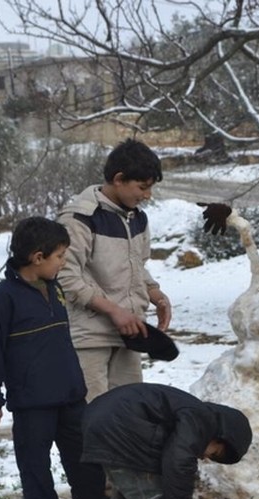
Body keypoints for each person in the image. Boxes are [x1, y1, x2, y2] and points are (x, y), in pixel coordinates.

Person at [0, 217, 110, 499]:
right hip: (32, 404)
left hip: (71, 398)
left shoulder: (55, 287)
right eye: (60, 256)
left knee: (86, 464)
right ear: (37, 257)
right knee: (35, 471)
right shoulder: (2, 299)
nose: (63, 262)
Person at [82, 383, 253, 499]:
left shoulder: (191, 411)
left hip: (102, 420)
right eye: (214, 453)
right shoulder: (200, 419)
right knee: (150, 488)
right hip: (121, 424)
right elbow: (179, 463)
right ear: (221, 436)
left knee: (128, 486)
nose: (204, 457)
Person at [58, 138, 172, 402]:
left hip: (130, 334)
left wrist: (155, 294)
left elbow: (136, 265)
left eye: (150, 188)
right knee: (92, 418)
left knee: (128, 416)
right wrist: (112, 310)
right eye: (142, 187)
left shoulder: (137, 217)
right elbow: (64, 276)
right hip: (89, 338)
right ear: (119, 179)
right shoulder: (80, 218)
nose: (147, 195)